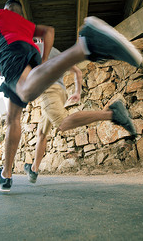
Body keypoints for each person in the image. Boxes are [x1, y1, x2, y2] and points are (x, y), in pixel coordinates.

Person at [0, 0, 143, 192]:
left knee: (30, 94)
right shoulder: (27, 26)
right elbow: (49, 31)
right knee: (15, 118)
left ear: (5, 9)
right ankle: (7, 174)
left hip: (12, 54)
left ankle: (85, 47)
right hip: (32, 55)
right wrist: (43, 61)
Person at [23, 44, 136, 184]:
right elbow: (77, 71)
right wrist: (77, 91)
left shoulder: (34, 48)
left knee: (63, 124)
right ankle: (33, 169)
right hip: (60, 92)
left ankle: (112, 113)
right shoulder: (57, 52)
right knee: (41, 133)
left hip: (48, 91)